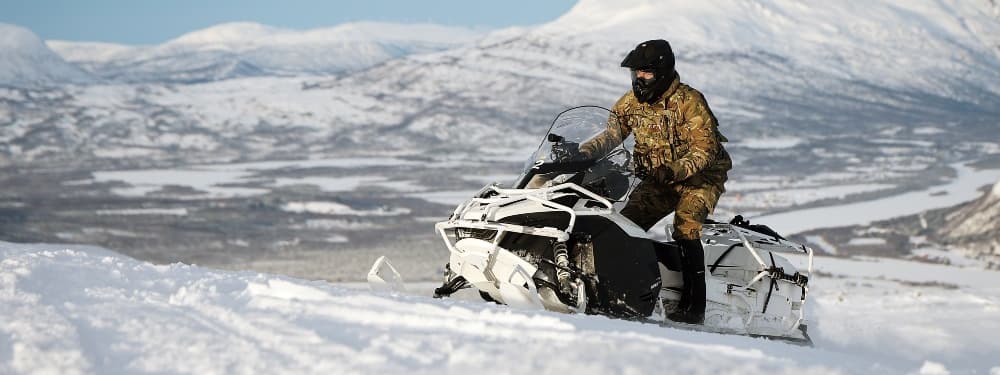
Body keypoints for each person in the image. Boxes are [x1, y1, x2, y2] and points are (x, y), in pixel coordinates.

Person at [580, 39, 732, 324]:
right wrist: (581, 152)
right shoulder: (630, 103)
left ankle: (694, 306)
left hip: (701, 177)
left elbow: (705, 150)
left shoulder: (690, 102)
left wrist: (672, 171)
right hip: (660, 178)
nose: (639, 79)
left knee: (685, 225)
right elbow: (611, 135)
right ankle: (627, 288)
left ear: (662, 72)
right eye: (635, 73)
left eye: (645, 73)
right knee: (625, 225)